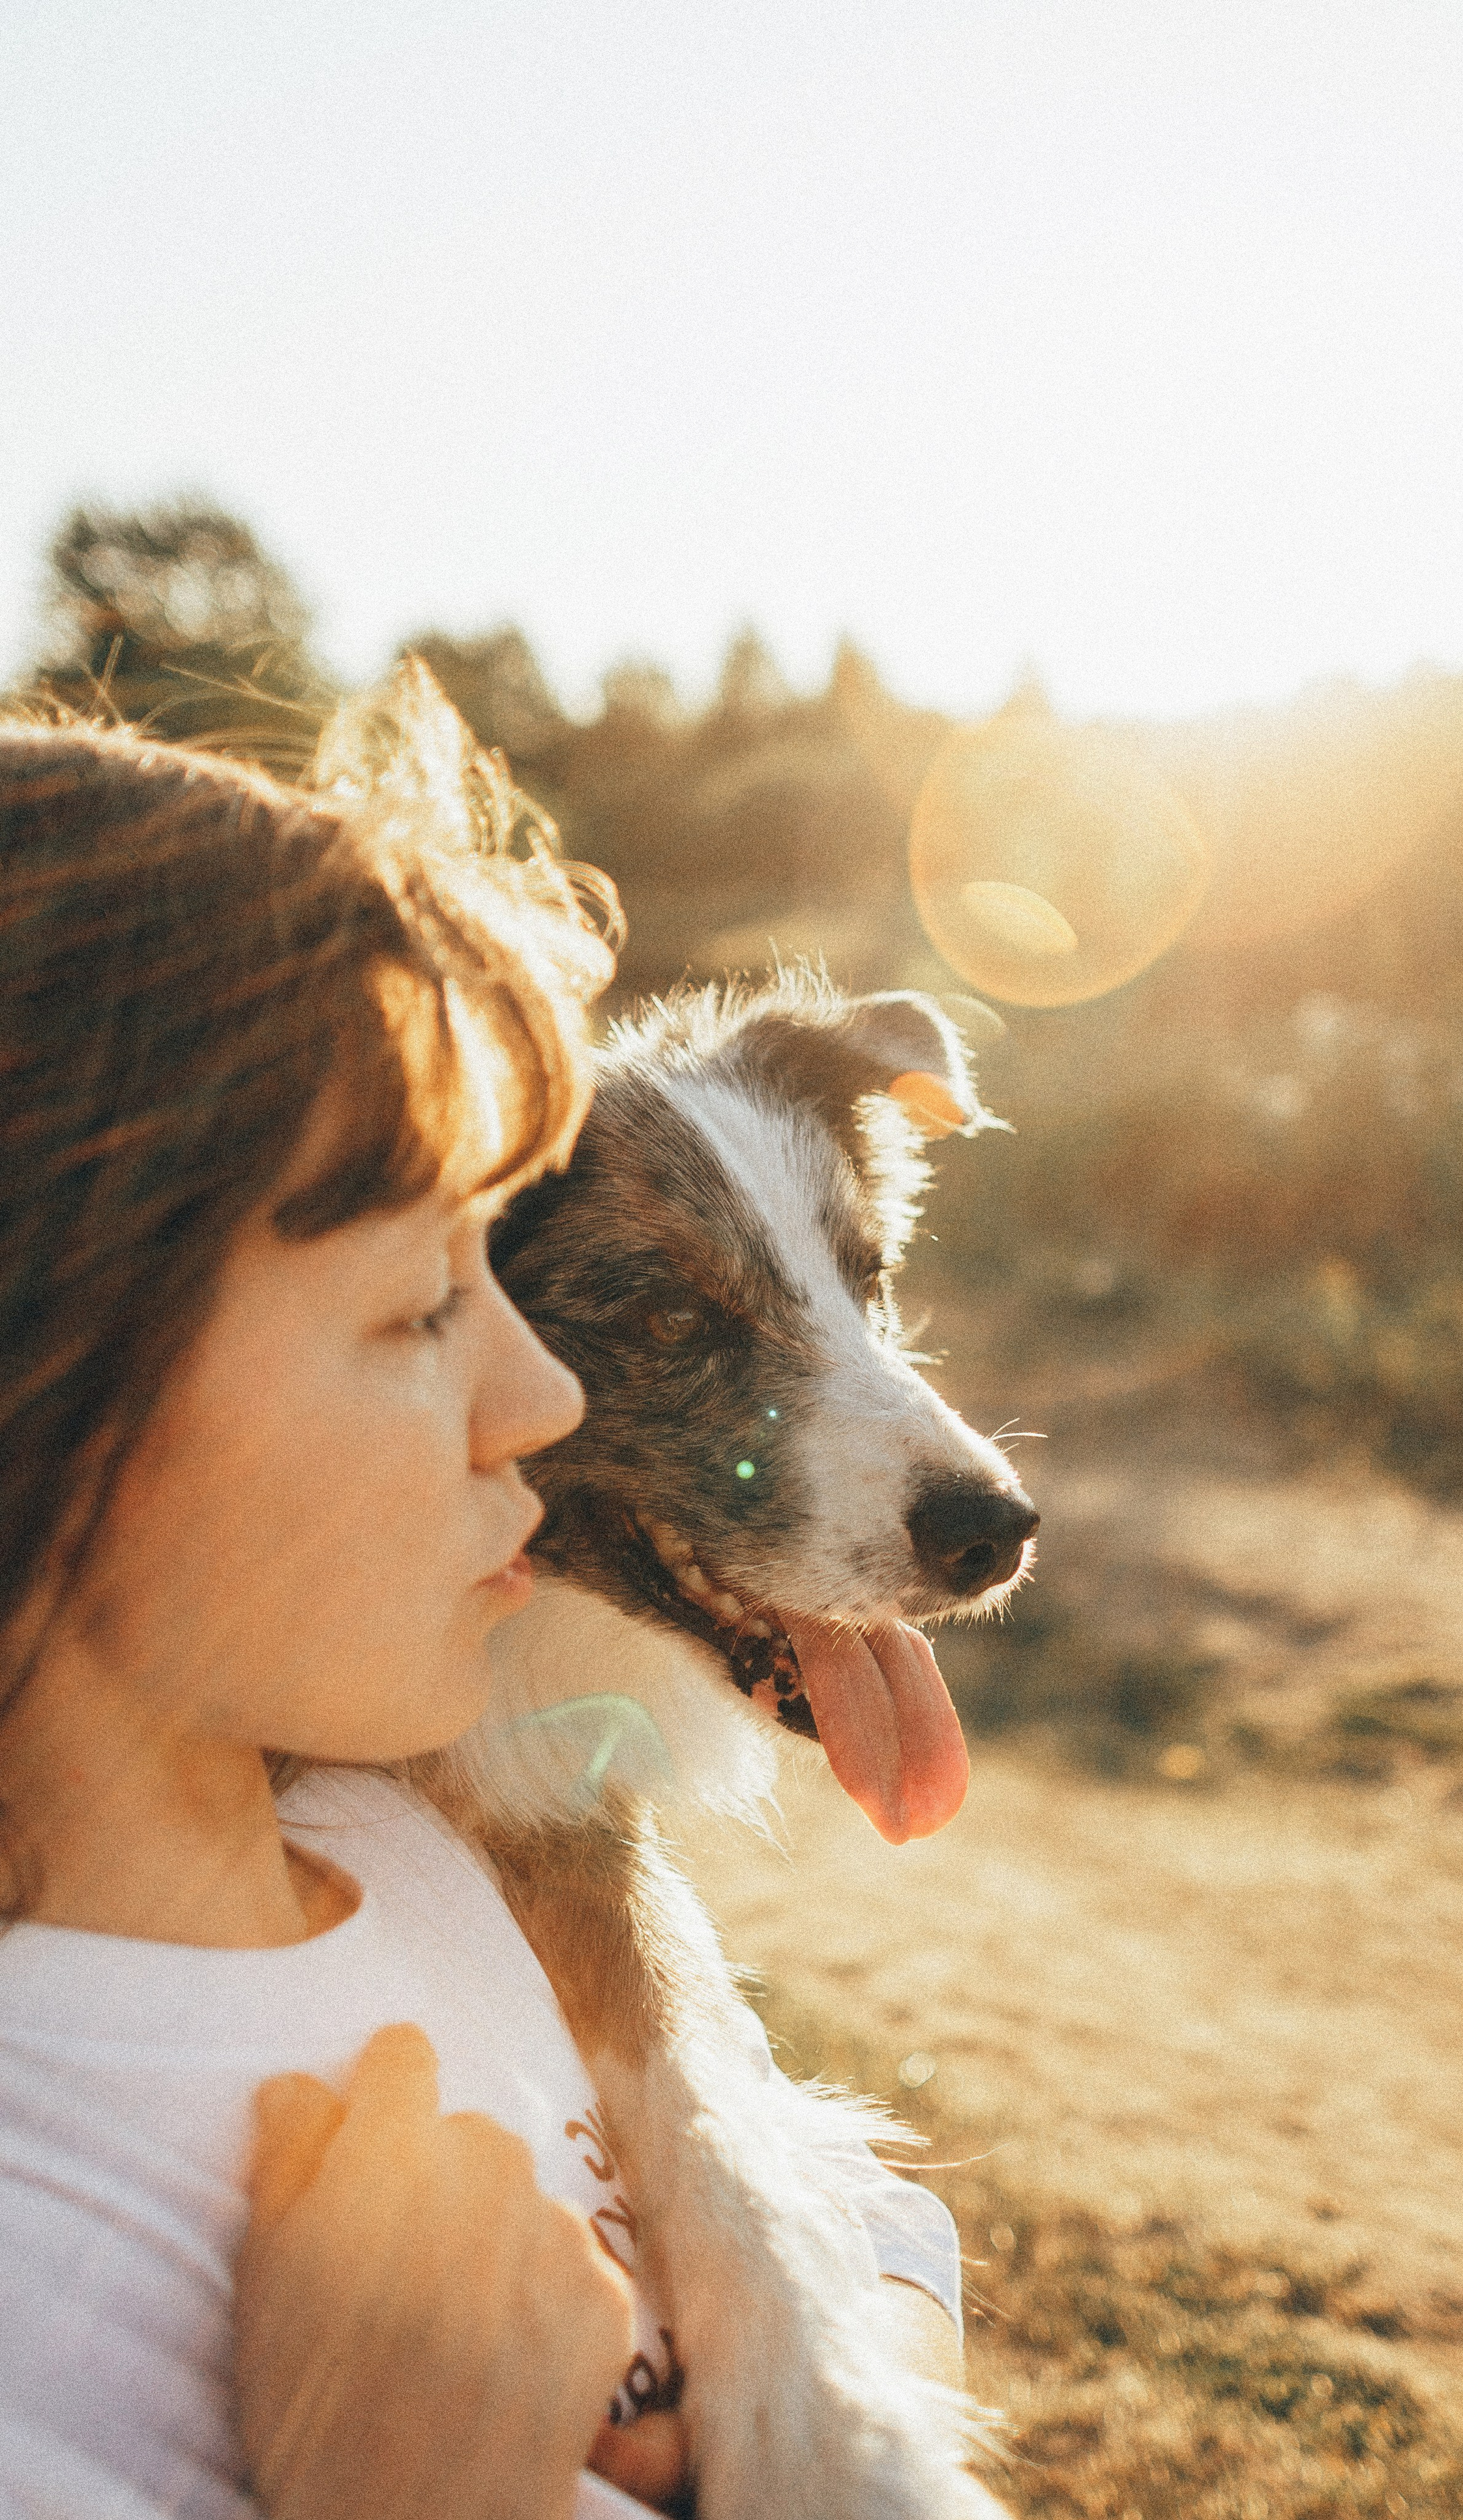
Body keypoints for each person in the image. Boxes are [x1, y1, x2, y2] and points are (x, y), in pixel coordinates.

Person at [0, 700, 963, 2520]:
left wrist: (831, 2412)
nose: (543, 1401)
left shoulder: (444, 1846)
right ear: (56, 1385)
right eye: (419, 1306)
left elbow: (882, 2221)